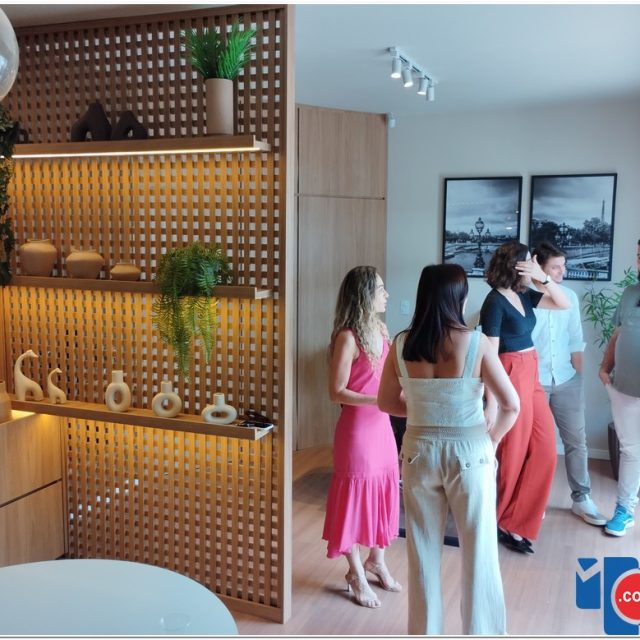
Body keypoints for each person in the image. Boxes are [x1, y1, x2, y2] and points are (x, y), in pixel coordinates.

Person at [378, 263, 520, 635]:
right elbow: (511, 405)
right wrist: (492, 440)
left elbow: (386, 402)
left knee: (422, 551)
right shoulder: (476, 343)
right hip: (470, 453)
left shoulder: (401, 344)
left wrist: (423, 409)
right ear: (459, 298)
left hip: (418, 452)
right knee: (479, 550)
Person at [480, 240, 570, 554]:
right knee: (513, 453)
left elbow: (563, 303)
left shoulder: (524, 294)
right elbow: (489, 355)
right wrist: (492, 404)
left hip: (531, 370)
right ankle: (497, 521)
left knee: (546, 451)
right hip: (509, 371)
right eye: (529, 261)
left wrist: (542, 278)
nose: (533, 265)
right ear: (516, 264)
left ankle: (516, 520)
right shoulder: (494, 302)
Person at [322, 266, 401, 608]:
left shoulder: (380, 329)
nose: (386, 295)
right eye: (381, 289)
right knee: (355, 500)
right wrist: (377, 400)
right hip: (357, 431)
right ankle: (355, 573)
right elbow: (336, 391)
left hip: (381, 427)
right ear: (365, 295)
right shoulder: (347, 337)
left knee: (384, 489)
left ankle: (376, 561)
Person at [531, 241, 606, 526]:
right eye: (556, 267)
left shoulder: (569, 297)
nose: (562, 272)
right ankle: (533, 501)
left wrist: (579, 379)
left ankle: (581, 498)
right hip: (534, 381)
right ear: (538, 265)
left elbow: (575, 340)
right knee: (537, 445)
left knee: (577, 441)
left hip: (566, 378)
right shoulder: (523, 295)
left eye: (563, 266)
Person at [599, 238, 640, 537]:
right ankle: (625, 510)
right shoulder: (630, 293)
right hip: (625, 387)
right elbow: (617, 334)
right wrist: (605, 367)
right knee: (630, 450)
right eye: (639, 255)